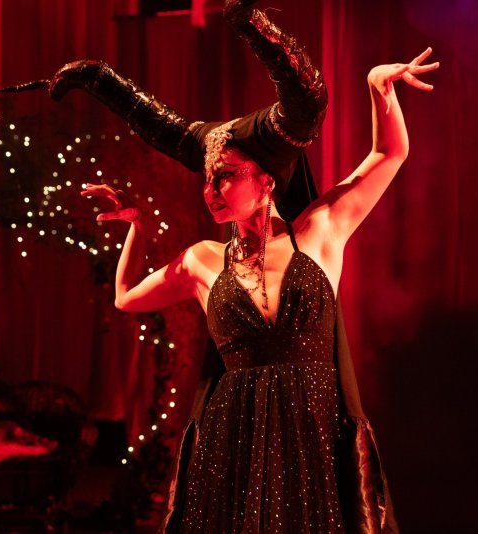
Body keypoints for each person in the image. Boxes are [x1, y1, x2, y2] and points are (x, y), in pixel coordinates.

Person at [80, 46, 437, 533]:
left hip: (313, 429)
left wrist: (378, 87)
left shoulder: (320, 232)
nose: (211, 190)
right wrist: (136, 228)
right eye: (207, 179)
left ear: (266, 180)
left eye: (225, 176)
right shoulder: (203, 260)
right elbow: (125, 298)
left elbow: (388, 153)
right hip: (234, 434)